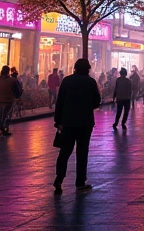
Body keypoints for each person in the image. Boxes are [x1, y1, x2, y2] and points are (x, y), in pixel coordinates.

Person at [53, 58, 101, 194]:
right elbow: (97, 101)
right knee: (82, 151)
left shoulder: (67, 81)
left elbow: (60, 102)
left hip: (68, 122)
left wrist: (58, 120)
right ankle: (80, 182)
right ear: (87, 69)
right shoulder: (90, 82)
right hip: (85, 122)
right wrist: (86, 107)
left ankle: (59, 178)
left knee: (64, 152)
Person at [0, 65, 16, 136]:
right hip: (9, 101)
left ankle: (1, 128)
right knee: (7, 114)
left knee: (0, 115)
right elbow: (17, 91)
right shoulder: (12, 80)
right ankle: (5, 127)